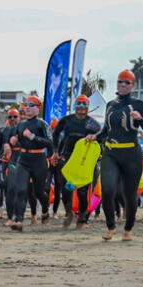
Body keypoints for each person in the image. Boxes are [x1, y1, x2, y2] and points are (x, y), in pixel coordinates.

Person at [87, 69, 143, 241]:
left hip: (131, 153)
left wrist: (139, 119)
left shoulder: (138, 104)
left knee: (130, 194)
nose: (122, 85)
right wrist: (95, 136)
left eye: (126, 82)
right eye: (120, 82)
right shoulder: (111, 104)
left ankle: (128, 228)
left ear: (133, 85)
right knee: (107, 190)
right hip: (111, 153)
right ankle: (111, 226)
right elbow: (107, 130)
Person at [51, 95, 101, 228]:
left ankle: (82, 219)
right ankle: (69, 212)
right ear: (75, 106)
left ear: (88, 106)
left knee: (83, 190)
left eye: (84, 104)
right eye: (78, 104)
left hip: (83, 160)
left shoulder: (92, 123)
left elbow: (102, 139)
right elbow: (55, 134)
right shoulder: (67, 120)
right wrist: (55, 151)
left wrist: (97, 146)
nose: (81, 107)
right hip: (67, 157)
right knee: (65, 189)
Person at [8, 96, 53, 231]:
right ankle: (19, 220)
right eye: (26, 105)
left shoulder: (42, 124)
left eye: (31, 105)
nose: (27, 107)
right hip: (23, 159)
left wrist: (33, 137)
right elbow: (16, 139)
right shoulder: (21, 124)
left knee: (39, 192)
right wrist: (12, 141)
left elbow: (50, 143)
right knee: (21, 189)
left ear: (37, 108)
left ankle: (45, 210)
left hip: (39, 159)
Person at [0, 108, 20, 222]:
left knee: (15, 186)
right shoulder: (3, 130)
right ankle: (0, 209)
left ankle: (15, 211)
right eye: (10, 117)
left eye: (15, 116)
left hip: (18, 161)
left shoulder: (22, 128)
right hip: (4, 161)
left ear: (19, 117)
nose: (12, 119)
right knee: (2, 184)